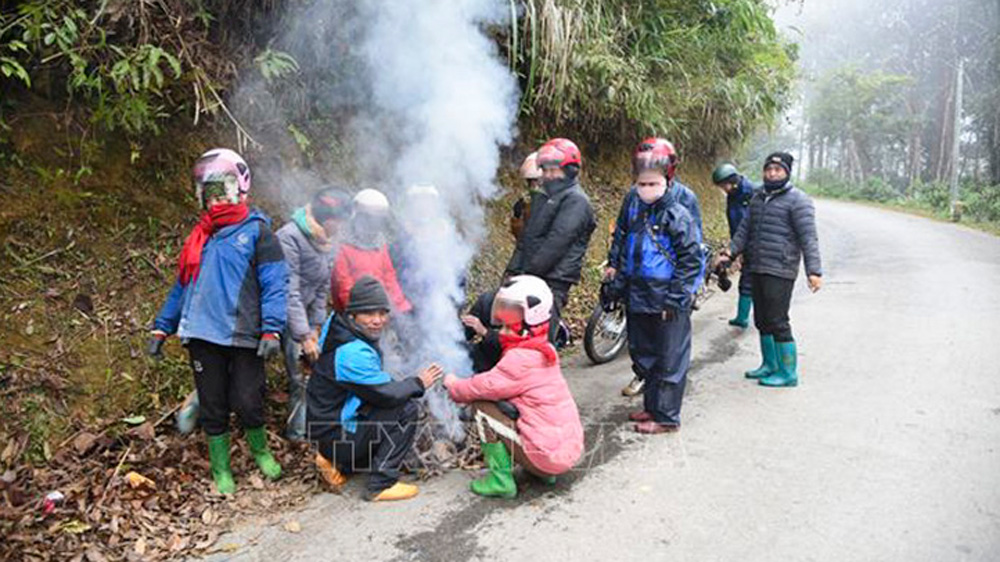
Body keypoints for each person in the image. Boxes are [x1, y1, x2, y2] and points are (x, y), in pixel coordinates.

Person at [148, 148, 287, 494]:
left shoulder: (258, 233)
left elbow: (275, 284)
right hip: (201, 334)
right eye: (205, 193)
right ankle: (221, 469)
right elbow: (183, 287)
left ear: (239, 188)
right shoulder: (200, 238)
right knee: (213, 404)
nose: (212, 202)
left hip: (244, 334)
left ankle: (261, 451)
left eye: (219, 191)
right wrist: (162, 325)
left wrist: (272, 327)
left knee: (248, 399)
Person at [444, 275, 584, 498]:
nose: (502, 322)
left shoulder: (519, 359)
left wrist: (453, 384)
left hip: (547, 458)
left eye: (510, 313)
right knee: (524, 409)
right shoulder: (544, 347)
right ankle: (542, 474)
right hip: (567, 453)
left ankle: (501, 481)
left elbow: (481, 386)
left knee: (481, 407)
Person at [306, 276, 443, 501]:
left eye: (382, 313)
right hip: (335, 434)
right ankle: (380, 484)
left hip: (328, 427)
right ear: (353, 315)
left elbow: (371, 385)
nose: (377, 320)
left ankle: (335, 461)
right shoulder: (351, 353)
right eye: (369, 314)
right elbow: (386, 395)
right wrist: (419, 382)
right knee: (406, 409)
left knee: (392, 401)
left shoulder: (340, 328)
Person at [605, 140, 705, 433]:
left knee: (670, 356)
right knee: (645, 353)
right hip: (640, 290)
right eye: (642, 181)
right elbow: (625, 242)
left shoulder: (679, 208)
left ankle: (666, 417)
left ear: (667, 176)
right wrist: (617, 279)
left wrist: (677, 297)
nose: (646, 187)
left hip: (667, 292)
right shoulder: (635, 203)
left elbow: (691, 256)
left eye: (653, 182)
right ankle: (652, 407)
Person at [721, 152, 822, 387]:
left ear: (787, 172)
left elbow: (809, 238)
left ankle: (788, 373)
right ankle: (769, 365)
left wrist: (814, 271)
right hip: (756, 265)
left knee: (777, 320)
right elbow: (744, 230)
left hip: (780, 268)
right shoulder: (758, 197)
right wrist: (730, 252)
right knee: (762, 319)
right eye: (769, 169)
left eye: (778, 170)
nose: (772, 173)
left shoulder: (799, 200)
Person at [276, 187, 351, 441]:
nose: (341, 227)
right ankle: (296, 434)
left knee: (310, 373)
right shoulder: (290, 237)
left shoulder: (327, 242)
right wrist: (304, 334)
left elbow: (321, 288)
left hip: (304, 316)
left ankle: (307, 429)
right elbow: (289, 291)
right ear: (327, 218)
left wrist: (316, 326)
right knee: (297, 373)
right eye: (339, 221)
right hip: (276, 315)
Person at [505, 138, 596, 343]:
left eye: (553, 170)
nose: (548, 175)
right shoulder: (544, 196)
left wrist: (526, 275)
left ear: (570, 170)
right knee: (518, 338)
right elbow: (526, 239)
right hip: (530, 278)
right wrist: (512, 271)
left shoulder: (576, 201)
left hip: (553, 281)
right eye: (545, 170)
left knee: (541, 342)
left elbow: (556, 244)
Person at [330, 189, 412, 314]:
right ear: (356, 216)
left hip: (379, 311)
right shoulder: (342, 246)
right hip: (353, 314)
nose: (372, 224)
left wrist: (401, 307)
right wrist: (360, 313)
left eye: (377, 220)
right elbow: (343, 286)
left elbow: (389, 278)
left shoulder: (379, 244)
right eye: (368, 218)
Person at [712, 163, 757, 328]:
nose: (723, 189)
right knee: (746, 278)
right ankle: (742, 316)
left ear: (733, 181)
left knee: (750, 280)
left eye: (724, 185)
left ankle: (745, 317)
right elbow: (735, 223)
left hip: (756, 243)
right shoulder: (733, 195)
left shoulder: (753, 193)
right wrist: (735, 249)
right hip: (740, 242)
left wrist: (745, 248)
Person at [509, 152, 543, 242]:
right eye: (530, 181)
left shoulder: (563, 203)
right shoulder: (522, 206)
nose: (533, 186)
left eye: (537, 180)